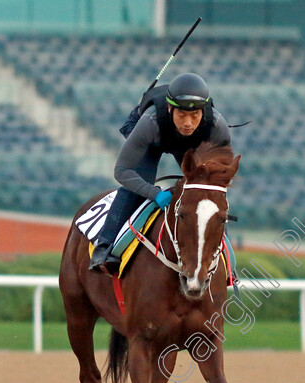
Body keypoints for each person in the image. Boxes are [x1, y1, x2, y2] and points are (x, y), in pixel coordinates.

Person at [89, 72, 231, 273]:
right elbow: (122, 171)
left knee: (208, 196)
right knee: (140, 185)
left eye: (195, 115)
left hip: (189, 145)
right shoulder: (150, 122)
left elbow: (218, 181)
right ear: (170, 108)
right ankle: (104, 247)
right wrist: (155, 194)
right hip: (153, 139)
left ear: (204, 112)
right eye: (182, 114)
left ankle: (226, 260)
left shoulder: (216, 125)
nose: (188, 123)